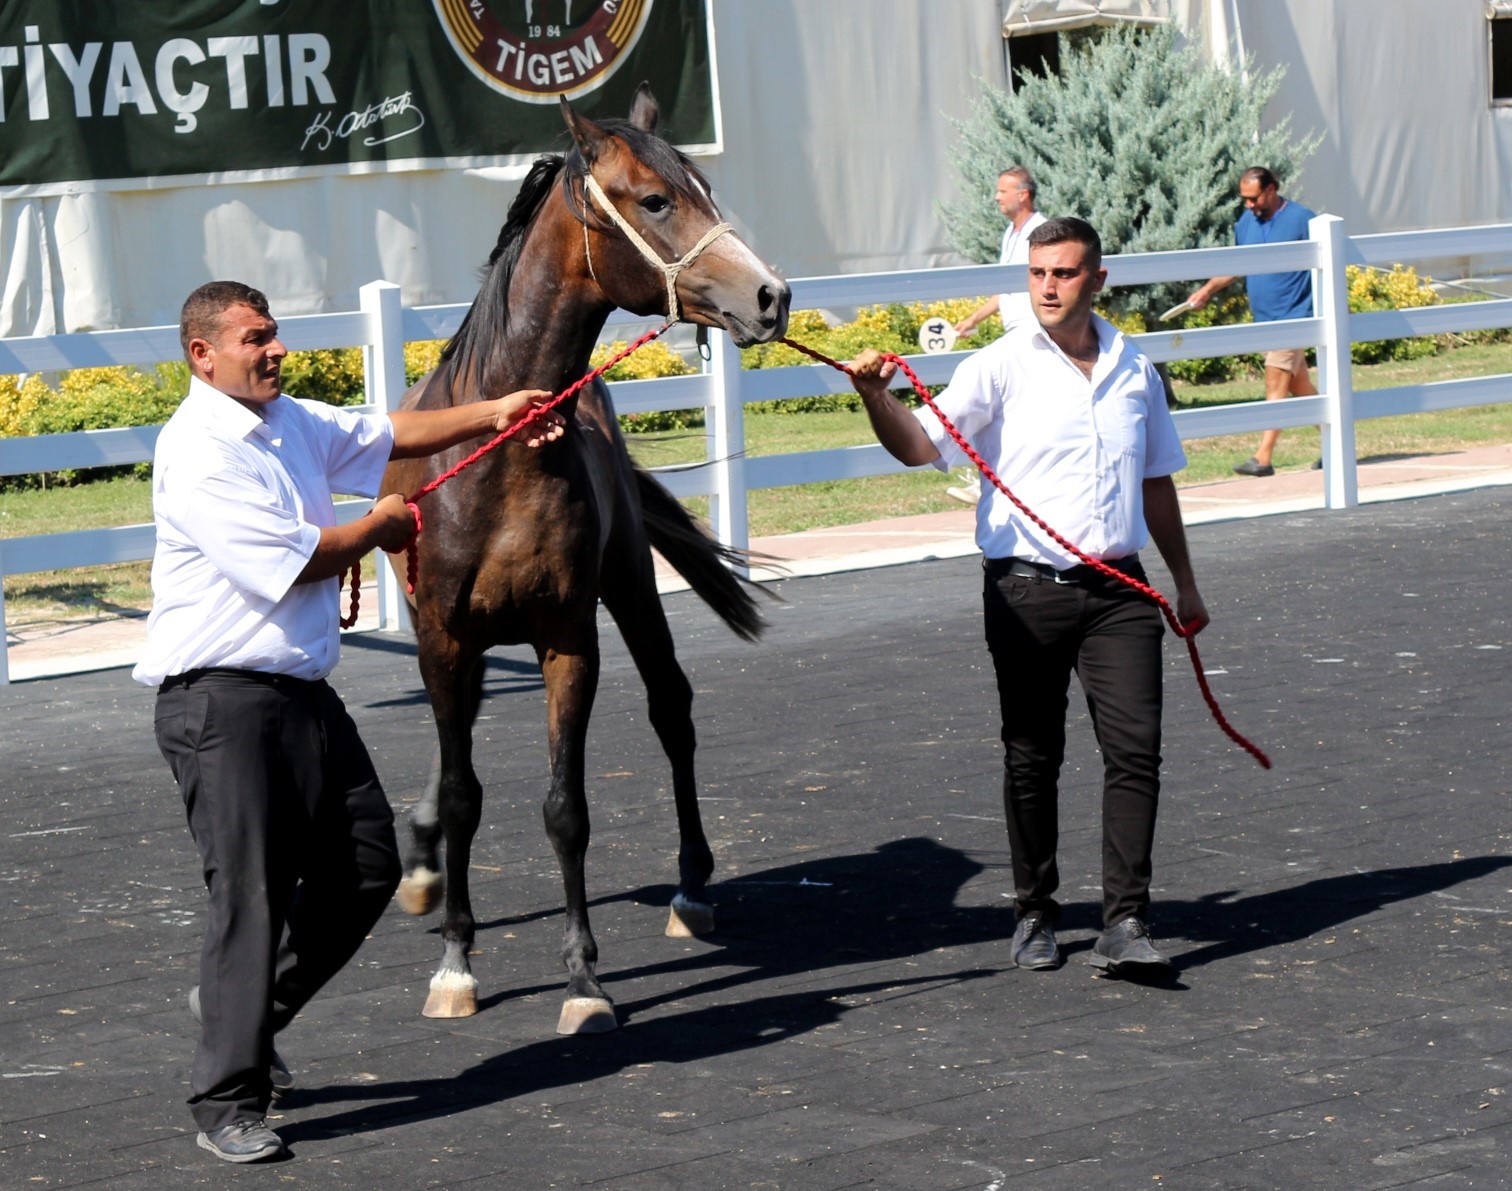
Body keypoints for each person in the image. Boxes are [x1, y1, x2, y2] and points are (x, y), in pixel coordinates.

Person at [133, 281, 563, 1163]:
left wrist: (497, 412)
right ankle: (226, 1103)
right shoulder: (200, 450)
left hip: (298, 695)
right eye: (255, 339)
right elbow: (294, 566)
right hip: (221, 702)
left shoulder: (284, 418)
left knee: (369, 859)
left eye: (275, 334)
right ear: (201, 355)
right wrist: (379, 526)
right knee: (248, 897)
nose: (274, 349)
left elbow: (386, 432)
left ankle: (248, 1011)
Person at [847, 218, 1209, 977]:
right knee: (1032, 754)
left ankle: (1126, 920)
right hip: (1025, 590)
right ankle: (1034, 911)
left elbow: (1156, 479)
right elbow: (921, 446)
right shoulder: (998, 366)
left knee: (1137, 752)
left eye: (1065, 273)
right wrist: (875, 398)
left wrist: (1185, 580)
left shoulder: (1134, 368)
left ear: (1097, 280)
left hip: (1122, 589)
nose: (1047, 286)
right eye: (1039, 272)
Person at [1187, 166, 1319, 477]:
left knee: (1275, 380)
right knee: (1298, 385)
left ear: (1271, 190)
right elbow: (1238, 264)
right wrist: (1207, 289)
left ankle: (1263, 457)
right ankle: (1338, 439)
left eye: (1254, 198)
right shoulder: (1247, 221)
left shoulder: (1303, 219)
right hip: (1265, 320)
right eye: (1243, 199)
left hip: (1293, 317)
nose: (1248, 205)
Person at [947, 167, 1048, 504]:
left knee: (1010, 407)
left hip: (1033, 332)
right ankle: (997, 480)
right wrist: (972, 319)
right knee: (1008, 408)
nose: (996, 197)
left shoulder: (1041, 231)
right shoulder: (1011, 233)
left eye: (1003, 191)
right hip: (1014, 333)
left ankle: (997, 481)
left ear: (1024, 194)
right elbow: (1006, 288)